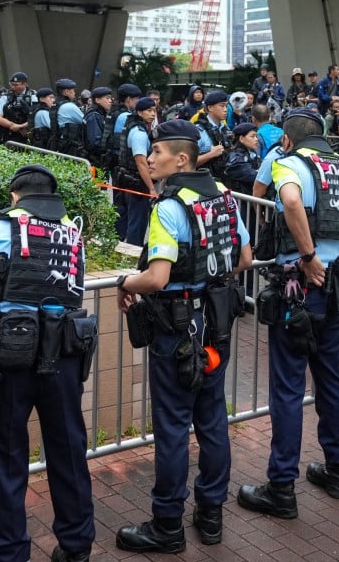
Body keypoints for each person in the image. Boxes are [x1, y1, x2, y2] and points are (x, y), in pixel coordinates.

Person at [115, 119, 252, 553]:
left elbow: (156, 278)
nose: (149, 158)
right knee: (212, 422)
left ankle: (167, 525)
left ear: (181, 159)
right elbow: (245, 258)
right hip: (216, 326)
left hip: (176, 331)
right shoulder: (225, 197)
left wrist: (124, 282)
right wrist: (209, 280)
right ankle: (210, 516)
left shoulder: (169, 206)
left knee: (173, 428)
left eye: (156, 152)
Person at [0, 164, 95, 562]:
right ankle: (77, 546)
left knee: (7, 456)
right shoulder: (74, 234)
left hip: (9, 359)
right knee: (68, 450)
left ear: (15, 197)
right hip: (65, 356)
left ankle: (10, 551)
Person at [238, 110, 339, 517]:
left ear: (286, 141)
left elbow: (290, 199)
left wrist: (307, 256)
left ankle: (282, 487)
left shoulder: (289, 163)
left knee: (288, 387)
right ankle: (338, 470)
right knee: (332, 377)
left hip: (301, 284)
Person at [116, 97, 159, 245]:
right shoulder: (139, 133)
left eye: (154, 111)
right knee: (137, 223)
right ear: (139, 112)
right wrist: (151, 188)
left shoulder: (130, 125)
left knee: (124, 218)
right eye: (149, 111)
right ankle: (133, 256)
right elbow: (141, 162)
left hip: (125, 179)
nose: (153, 114)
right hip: (137, 183)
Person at [195, 91, 233, 178]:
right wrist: (210, 154)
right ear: (210, 107)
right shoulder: (199, 131)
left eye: (226, 106)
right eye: (222, 106)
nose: (225, 109)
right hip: (204, 181)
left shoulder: (225, 129)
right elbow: (188, 162)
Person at [223, 122, 262, 194]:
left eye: (256, 136)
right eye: (252, 136)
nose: (256, 139)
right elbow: (254, 176)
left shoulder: (253, 154)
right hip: (241, 202)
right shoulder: (235, 159)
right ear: (241, 139)